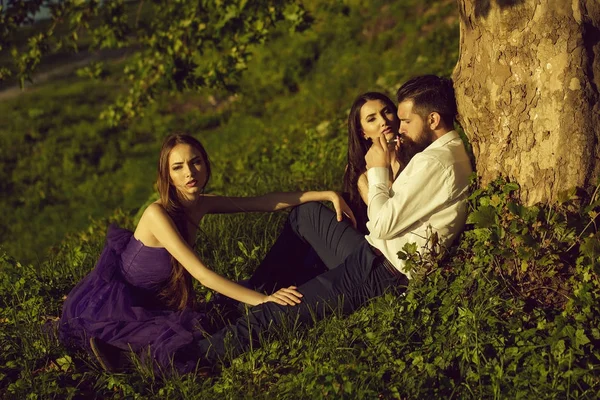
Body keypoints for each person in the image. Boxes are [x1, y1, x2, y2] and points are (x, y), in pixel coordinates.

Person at [191, 74, 474, 368]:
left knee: (280, 312)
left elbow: (381, 225)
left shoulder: (434, 162)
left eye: (404, 120)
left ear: (433, 120)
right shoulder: (438, 155)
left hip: (383, 272)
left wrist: (377, 172)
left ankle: (194, 359)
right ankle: (234, 313)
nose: (397, 127)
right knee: (289, 290)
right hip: (375, 260)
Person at [58, 133, 355, 374]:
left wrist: (326, 194)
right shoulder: (156, 214)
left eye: (195, 162)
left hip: (160, 301)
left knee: (221, 315)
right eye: (178, 167)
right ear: (167, 175)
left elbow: (262, 202)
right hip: (125, 303)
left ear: (205, 164)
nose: (190, 173)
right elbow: (202, 275)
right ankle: (127, 359)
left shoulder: (199, 203)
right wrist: (264, 301)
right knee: (194, 335)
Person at [342, 92, 403, 234]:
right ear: (363, 133)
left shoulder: (416, 153)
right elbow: (385, 217)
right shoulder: (359, 172)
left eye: (387, 112)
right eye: (371, 119)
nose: (383, 121)